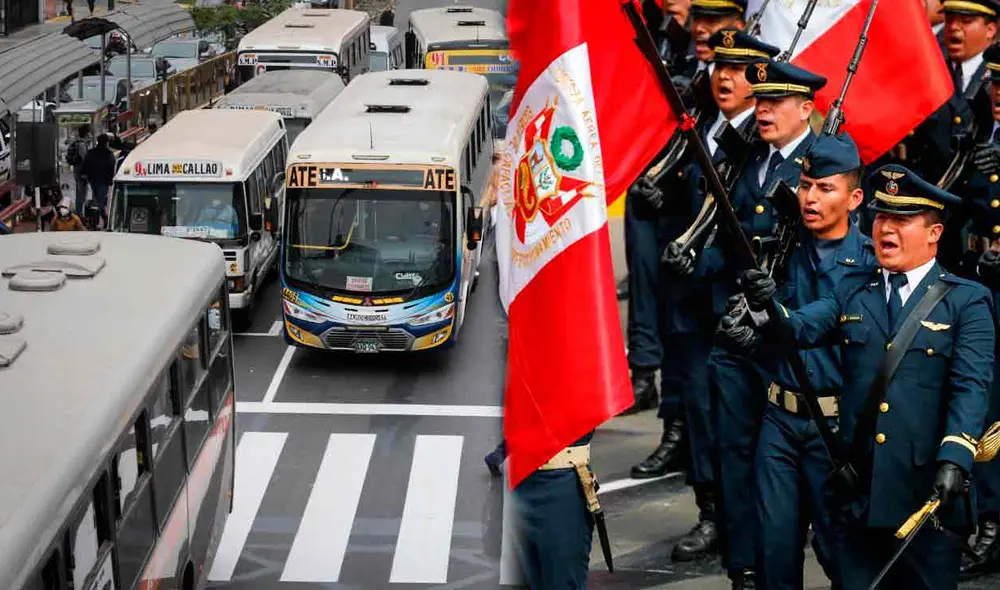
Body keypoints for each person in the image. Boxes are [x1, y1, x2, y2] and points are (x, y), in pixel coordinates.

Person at [730, 165, 994, 590]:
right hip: (860, 497)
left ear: (934, 233)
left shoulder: (966, 301)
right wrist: (766, 306)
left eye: (902, 220)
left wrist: (955, 459)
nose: (886, 229)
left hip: (925, 497)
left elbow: (971, 388)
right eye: (882, 218)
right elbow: (799, 328)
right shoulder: (854, 288)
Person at [630, 29, 779, 575]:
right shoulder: (701, 124)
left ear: (760, 81)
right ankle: (710, 512)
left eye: (738, 70)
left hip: (734, 306)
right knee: (698, 408)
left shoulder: (761, 140)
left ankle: (744, 519)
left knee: (739, 423)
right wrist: (656, 196)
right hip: (690, 300)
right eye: (719, 65)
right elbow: (682, 197)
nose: (723, 76)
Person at [696, 57, 825, 589]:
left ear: (806, 109)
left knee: (793, 466)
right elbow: (727, 244)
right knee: (734, 452)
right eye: (761, 100)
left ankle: (785, 561)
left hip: (784, 337)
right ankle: (744, 567)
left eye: (775, 102)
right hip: (735, 335)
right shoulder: (748, 159)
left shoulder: (821, 168)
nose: (762, 109)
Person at [750, 132, 876, 589]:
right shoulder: (782, 249)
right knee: (774, 553)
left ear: (854, 197)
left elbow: (812, 323)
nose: (810, 197)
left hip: (835, 432)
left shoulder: (870, 262)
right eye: (805, 185)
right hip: (779, 422)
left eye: (825, 188)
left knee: (842, 552)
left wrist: (773, 313)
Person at [954, 42, 1000, 577]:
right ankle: (990, 520)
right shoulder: (982, 136)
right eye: (993, 85)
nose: (998, 95)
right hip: (985, 290)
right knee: (987, 409)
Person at [81, 133, 116, 229]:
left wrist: (84, 174)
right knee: (99, 201)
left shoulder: (91, 152)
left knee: (97, 200)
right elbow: (112, 167)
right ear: (106, 143)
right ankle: (104, 218)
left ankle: (95, 221)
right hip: (103, 181)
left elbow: (86, 164)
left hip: (92, 179)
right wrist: (111, 180)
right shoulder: (109, 154)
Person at [67, 125, 90, 214]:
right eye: (89, 133)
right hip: (81, 172)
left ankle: (79, 212)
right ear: (86, 133)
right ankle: (79, 213)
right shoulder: (82, 144)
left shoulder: (80, 143)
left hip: (78, 171)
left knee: (80, 192)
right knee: (81, 194)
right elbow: (84, 158)